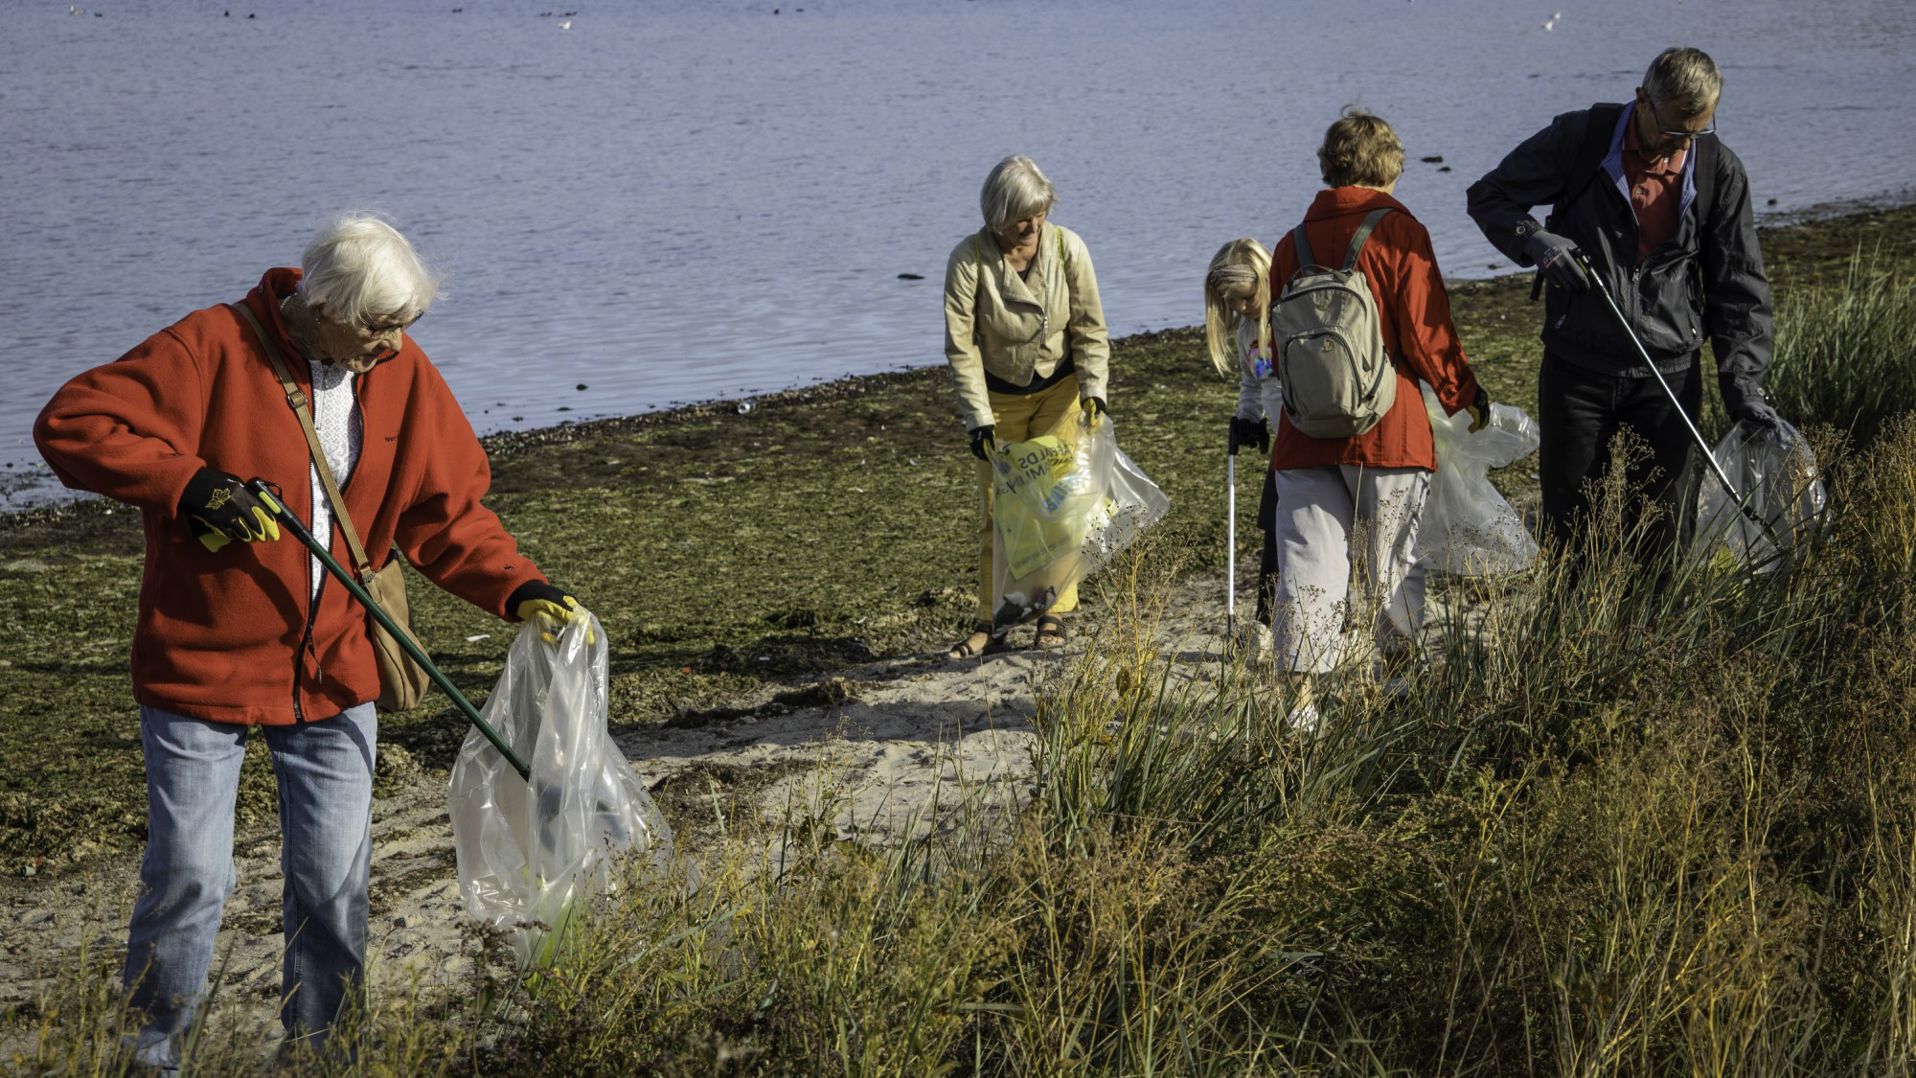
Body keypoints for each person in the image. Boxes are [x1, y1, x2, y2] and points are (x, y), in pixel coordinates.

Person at [33, 214, 595, 1067]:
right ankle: (153, 1056)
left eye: (406, 325)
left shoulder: (399, 375)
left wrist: (520, 589)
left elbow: (448, 517)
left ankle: (324, 1056)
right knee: (191, 880)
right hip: (200, 671)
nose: (395, 347)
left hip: (335, 670)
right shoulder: (209, 347)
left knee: (335, 887)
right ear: (318, 301)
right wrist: (189, 485)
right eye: (377, 327)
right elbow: (72, 424)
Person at [1466, 46, 1775, 567]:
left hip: (1669, 377)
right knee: (1571, 542)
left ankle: (1651, 644)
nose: (1681, 146)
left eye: (1696, 131)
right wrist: (1536, 241)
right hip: (1576, 374)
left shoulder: (1718, 169)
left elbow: (1739, 287)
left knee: (1662, 542)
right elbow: (1489, 196)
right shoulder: (1581, 139)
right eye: (1673, 131)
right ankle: (1570, 645)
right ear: (1642, 100)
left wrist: (1742, 384)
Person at [1266, 111, 1489, 724]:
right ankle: (1395, 694)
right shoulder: (1399, 231)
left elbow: (1281, 344)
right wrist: (1464, 393)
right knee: (1393, 567)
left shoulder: (1292, 244)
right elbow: (1427, 334)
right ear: (1388, 166)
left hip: (1305, 433)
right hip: (1387, 432)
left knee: (1307, 570)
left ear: (1328, 165)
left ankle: (1301, 712)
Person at [942, 155, 1111, 659]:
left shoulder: (1067, 248)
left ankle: (1053, 614)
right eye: (1023, 216)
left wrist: (1094, 389)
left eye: (1040, 213)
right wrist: (978, 418)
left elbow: (1090, 328)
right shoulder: (968, 260)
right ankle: (990, 623)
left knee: (1057, 508)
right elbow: (961, 348)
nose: (1033, 225)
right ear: (997, 213)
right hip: (997, 402)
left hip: (1060, 394)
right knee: (1000, 514)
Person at [1203, 237, 1281, 648]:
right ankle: (1265, 622)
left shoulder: (1285, 320)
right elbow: (1253, 382)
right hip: (1284, 444)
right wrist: (1248, 419)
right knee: (1271, 525)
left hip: (1311, 437)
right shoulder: (1247, 332)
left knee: (1294, 529)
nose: (1240, 309)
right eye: (1230, 302)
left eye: (1247, 298)